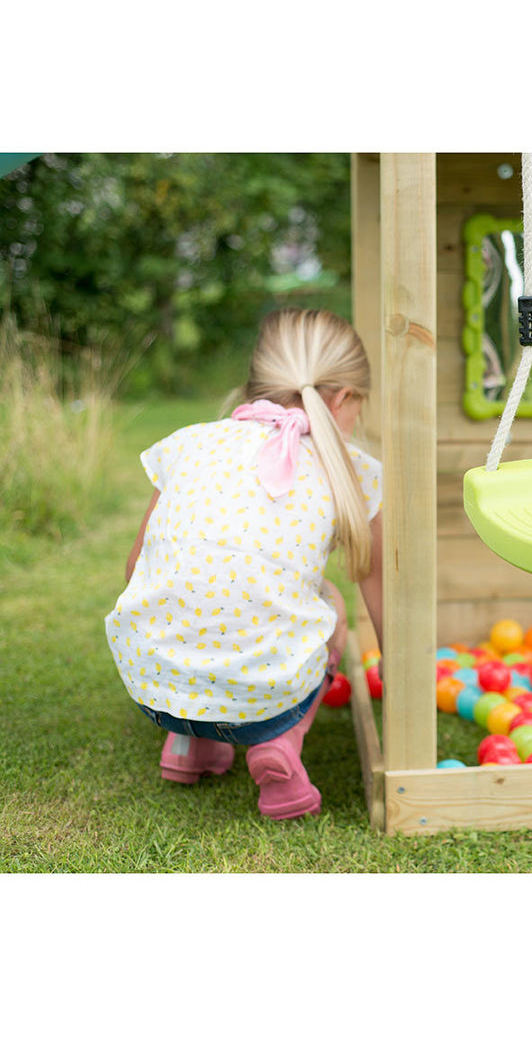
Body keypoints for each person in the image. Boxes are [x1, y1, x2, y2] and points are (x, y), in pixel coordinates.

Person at [105, 308, 383, 820]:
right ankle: (282, 745)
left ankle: (189, 745)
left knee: (196, 599)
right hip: (265, 703)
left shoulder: (188, 442)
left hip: (153, 688)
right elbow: (384, 591)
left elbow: (134, 568)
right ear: (344, 398)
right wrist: (398, 670)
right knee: (331, 602)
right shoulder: (354, 470)